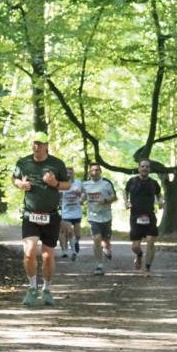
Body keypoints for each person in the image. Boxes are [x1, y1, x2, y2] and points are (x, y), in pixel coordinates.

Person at [12, 131, 71, 306]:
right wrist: (20, 184)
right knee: (29, 252)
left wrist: (55, 184)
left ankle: (46, 289)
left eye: (40, 143)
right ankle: (32, 288)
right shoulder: (24, 162)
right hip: (30, 214)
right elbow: (14, 179)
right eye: (34, 143)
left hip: (51, 215)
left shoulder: (57, 163)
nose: (37, 146)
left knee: (47, 256)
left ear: (46, 145)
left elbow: (67, 185)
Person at [124, 159, 164, 276]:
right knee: (135, 246)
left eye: (147, 167)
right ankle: (139, 255)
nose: (144, 168)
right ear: (139, 168)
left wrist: (161, 201)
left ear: (150, 169)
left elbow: (159, 194)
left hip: (150, 215)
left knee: (151, 242)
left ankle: (147, 269)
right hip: (135, 216)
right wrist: (126, 202)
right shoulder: (132, 181)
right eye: (142, 166)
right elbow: (125, 192)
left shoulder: (153, 183)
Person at [81, 162, 117, 275]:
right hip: (93, 216)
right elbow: (83, 197)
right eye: (92, 170)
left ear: (100, 172)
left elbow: (115, 197)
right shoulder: (85, 184)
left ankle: (107, 248)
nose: (94, 172)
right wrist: (82, 200)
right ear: (89, 172)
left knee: (105, 240)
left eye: (97, 170)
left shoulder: (106, 184)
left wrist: (105, 201)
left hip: (106, 216)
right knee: (97, 239)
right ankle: (99, 265)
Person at [58, 168, 83, 261]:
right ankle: (73, 252)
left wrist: (80, 195)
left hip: (76, 212)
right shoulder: (62, 184)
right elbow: (58, 196)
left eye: (70, 173)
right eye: (67, 173)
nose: (68, 175)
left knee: (78, 234)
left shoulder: (79, 183)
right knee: (68, 231)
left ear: (73, 174)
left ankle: (75, 242)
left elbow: (84, 195)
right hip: (66, 212)